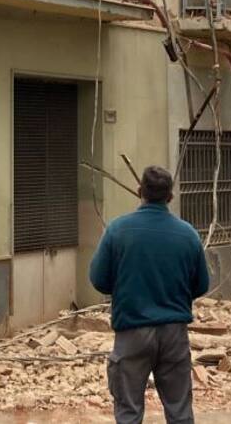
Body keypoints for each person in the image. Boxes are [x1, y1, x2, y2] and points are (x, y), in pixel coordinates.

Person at [89, 165, 210, 424]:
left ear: (139, 191)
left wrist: (125, 288)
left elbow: (99, 280)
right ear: (170, 196)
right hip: (174, 333)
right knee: (180, 412)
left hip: (131, 331)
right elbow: (201, 285)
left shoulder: (117, 231)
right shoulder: (188, 234)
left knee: (129, 412)